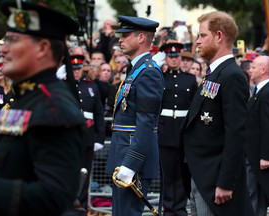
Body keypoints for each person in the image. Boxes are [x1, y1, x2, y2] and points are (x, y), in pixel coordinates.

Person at [0, 2, 88, 215]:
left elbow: (53, 198)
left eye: (12, 41)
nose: (3, 49)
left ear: (42, 48)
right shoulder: (27, 98)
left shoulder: (53, 107)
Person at [180, 11, 254, 216]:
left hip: (215, 181)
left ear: (219, 36)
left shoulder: (232, 75)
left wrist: (226, 182)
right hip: (202, 175)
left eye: (202, 35)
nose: (197, 41)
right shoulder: (214, 73)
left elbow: (236, 133)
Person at [104, 15, 164, 216]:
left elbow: (146, 123)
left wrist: (131, 164)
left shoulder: (148, 73)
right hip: (123, 154)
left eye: (125, 35)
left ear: (141, 38)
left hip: (132, 160)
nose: (120, 39)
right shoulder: (136, 69)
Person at [158, 42, 198, 216]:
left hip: (183, 131)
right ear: (166, 59)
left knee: (182, 172)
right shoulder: (160, 77)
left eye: (176, 57)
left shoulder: (189, 79)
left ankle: (180, 208)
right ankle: (168, 207)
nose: (173, 60)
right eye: (170, 57)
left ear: (180, 58)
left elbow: (194, 106)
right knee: (167, 172)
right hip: (165, 130)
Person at [245, 56, 269, 216]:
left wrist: (266, 156)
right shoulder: (262, 91)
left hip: (260, 157)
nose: (249, 70)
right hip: (255, 155)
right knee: (255, 198)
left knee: (257, 196)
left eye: (253, 67)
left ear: (263, 70)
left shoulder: (268, 92)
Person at [70, 54, 106, 212]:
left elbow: (99, 114)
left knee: (85, 174)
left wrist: (100, 138)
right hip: (69, 138)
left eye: (78, 69)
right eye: (73, 69)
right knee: (69, 172)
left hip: (88, 137)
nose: (76, 72)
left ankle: (82, 207)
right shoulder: (63, 85)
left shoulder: (91, 86)